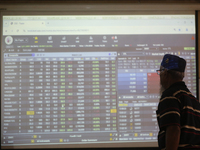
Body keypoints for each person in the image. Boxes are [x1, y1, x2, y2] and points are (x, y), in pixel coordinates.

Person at [156, 54, 200, 150]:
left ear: (165, 73)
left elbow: (174, 129)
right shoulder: (193, 99)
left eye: (160, 72)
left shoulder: (170, 95)